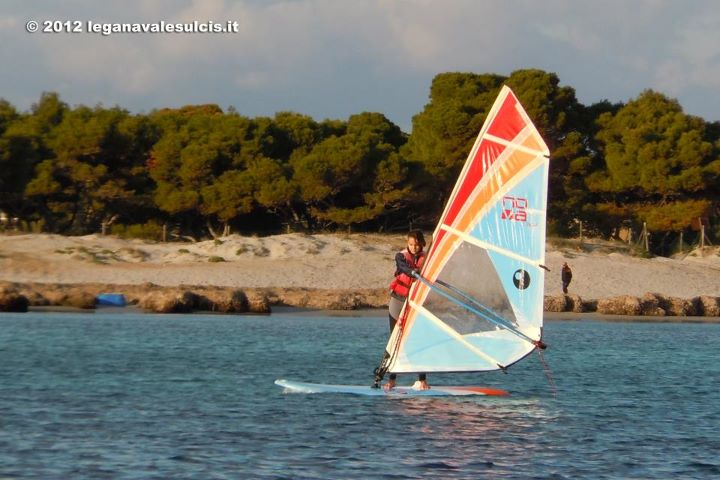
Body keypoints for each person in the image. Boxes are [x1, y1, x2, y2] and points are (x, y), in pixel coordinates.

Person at [384, 230, 430, 391]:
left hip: (415, 304)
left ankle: (422, 381)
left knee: (419, 339)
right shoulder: (401, 256)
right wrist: (413, 272)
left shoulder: (428, 258)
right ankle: (391, 380)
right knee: (394, 339)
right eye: (411, 244)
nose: (414, 247)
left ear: (422, 244)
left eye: (417, 244)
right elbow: (402, 268)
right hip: (398, 301)